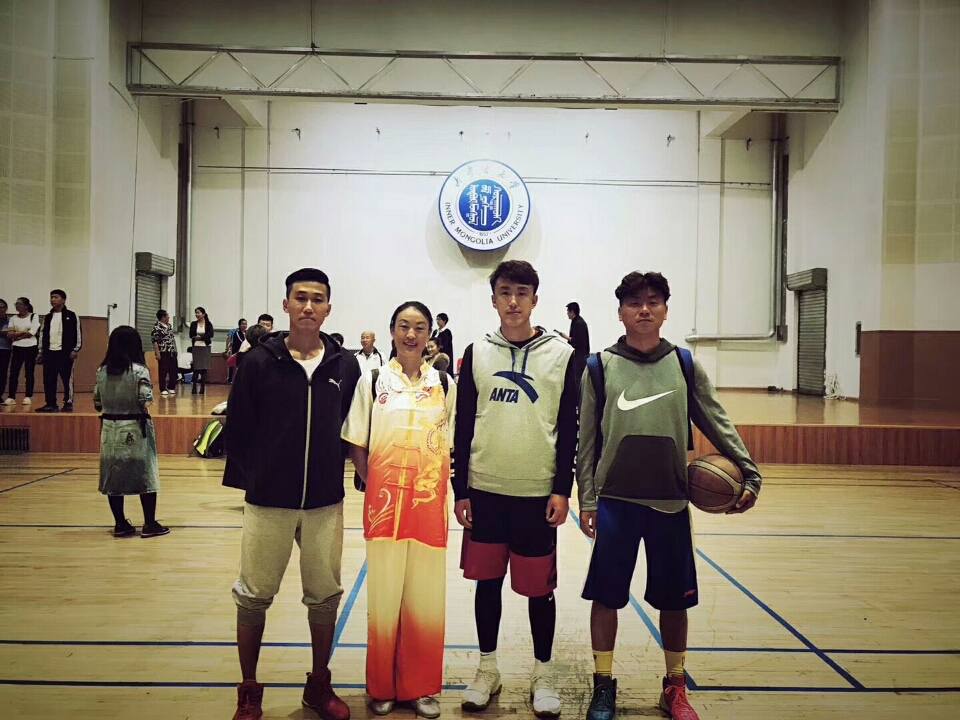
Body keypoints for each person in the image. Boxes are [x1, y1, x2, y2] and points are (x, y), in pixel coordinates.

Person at [577, 272, 762, 720]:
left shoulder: (684, 364)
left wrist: (749, 472)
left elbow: (717, 421)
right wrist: (587, 500)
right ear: (620, 312)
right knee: (607, 597)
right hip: (616, 502)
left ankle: (674, 687)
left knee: (675, 601)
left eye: (653, 301)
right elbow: (586, 442)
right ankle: (603, 685)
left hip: (671, 503)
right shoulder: (599, 366)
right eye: (634, 302)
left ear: (665, 310)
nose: (644, 309)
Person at [223, 268, 361, 720]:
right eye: (300, 298)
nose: (308, 306)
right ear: (285, 305)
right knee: (254, 595)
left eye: (317, 299)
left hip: (324, 502)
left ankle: (319, 686)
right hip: (269, 502)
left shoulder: (344, 365)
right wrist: (258, 479)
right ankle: (249, 690)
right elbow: (239, 427)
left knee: (324, 595)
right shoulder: (259, 362)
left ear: (328, 309)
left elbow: (352, 428)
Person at [454, 260, 578, 718]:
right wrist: (460, 490)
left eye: (522, 293)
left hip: (536, 495)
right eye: (505, 292)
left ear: (535, 300)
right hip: (485, 491)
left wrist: (562, 488)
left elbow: (570, 428)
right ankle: (487, 669)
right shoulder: (476, 353)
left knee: (537, 592)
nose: (513, 301)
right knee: (487, 585)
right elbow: (463, 424)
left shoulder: (562, 355)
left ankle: (543, 674)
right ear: (493, 299)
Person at [343, 301, 456, 719]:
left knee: (426, 598)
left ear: (429, 335)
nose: (411, 334)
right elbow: (356, 439)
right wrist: (373, 482)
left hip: (429, 507)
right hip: (384, 508)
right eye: (404, 326)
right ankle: (382, 686)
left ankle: (421, 687)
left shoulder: (445, 383)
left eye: (420, 327)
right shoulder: (373, 380)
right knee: (384, 597)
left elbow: (452, 442)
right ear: (392, 330)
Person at [95, 325, 169, 538]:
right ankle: (149, 523)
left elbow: (97, 403)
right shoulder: (139, 371)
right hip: (135, 428)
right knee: (145, 474)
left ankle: (120, 523)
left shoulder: (101, 371)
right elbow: (145, 400)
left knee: (113, 476)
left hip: (109, 429)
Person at [35, 289, 82, 413]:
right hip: (49, 353)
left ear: (63, 300)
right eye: (51, 297)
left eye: (56, 297)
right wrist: (40, 351)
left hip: (65, 353)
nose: (53, 300)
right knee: (49, 379)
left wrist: (75, 349)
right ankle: (51, 404)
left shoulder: (72, 316)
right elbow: (42, 334)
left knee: (67, 379)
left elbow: (78, 333)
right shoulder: (47, 317)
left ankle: (68, 402)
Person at [3, 297, 40, 407]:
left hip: (31, 346)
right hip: (17, 347)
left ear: (26, 306)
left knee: (29, 372)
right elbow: (10, 334)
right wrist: (23, 332)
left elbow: (32, 332)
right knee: (14, 372)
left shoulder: (34, 316)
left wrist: (18, 335)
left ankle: (28, 396)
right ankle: (11, 397)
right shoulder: (13, 318)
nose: (17, 306)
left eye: (19, 304)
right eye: (16, 304)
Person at [152, 310, 179, 396]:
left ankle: (171, 387)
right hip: (163, 351)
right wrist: (157, 353)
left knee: (173, 369)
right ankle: (163, 388)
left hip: (171, 350)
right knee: (163, 370)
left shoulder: (169, 326)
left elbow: (172, 338)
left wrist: (175, 349)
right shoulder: (156, 327)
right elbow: (155, 341)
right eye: (167, 316)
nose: (169, 317)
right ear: (163, 317)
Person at [560, 302, 590, 379]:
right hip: (577, 355)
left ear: (572, 312)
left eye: (568, 311)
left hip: (580, 356)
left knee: (578, 378)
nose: (567, 313)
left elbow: (579, 341)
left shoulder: (579, 323)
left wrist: (566, 337)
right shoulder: (575, 321)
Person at [189, 307, 214, 395]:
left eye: (198, 313)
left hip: (205, 347)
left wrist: (201, 337)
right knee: (196, 368)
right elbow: (191, 334)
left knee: (204, 368)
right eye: (196, 313)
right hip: (196, 347)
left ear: (203, 314)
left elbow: (211, 334)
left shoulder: (208, 324)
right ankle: (194, 387)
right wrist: (197, 337)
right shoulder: (193, 324)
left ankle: (203, 387)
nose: (197, 314)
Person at [227, 319, 247, 384]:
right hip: (236, 351)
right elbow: (241, 341)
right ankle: (230, 379)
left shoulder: (247, 333)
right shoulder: (237, 333)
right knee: (233, 365)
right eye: (243, 324)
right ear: (239, 325)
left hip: (244, 351)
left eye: (245, 324)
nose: (244, 325)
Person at [0, 299, 10, 404]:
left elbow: (12, 332)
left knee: (2, 373)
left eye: (4, 307)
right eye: (0, 307)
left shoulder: (10, 320)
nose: (2, 309)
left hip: (5, 349)